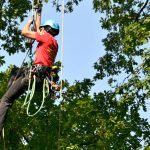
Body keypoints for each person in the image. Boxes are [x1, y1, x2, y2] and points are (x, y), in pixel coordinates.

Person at [0, 5, 60, 133]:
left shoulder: (46, 37)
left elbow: (25, 32)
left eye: (43, 29)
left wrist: (28, 22)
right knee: (16, 73)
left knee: (5, 100)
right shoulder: (54, 42)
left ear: (47, 29)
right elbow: (39, 29)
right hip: (40, 81)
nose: (40, 31)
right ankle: (10, 90)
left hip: (32, 78)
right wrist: (38, 13)